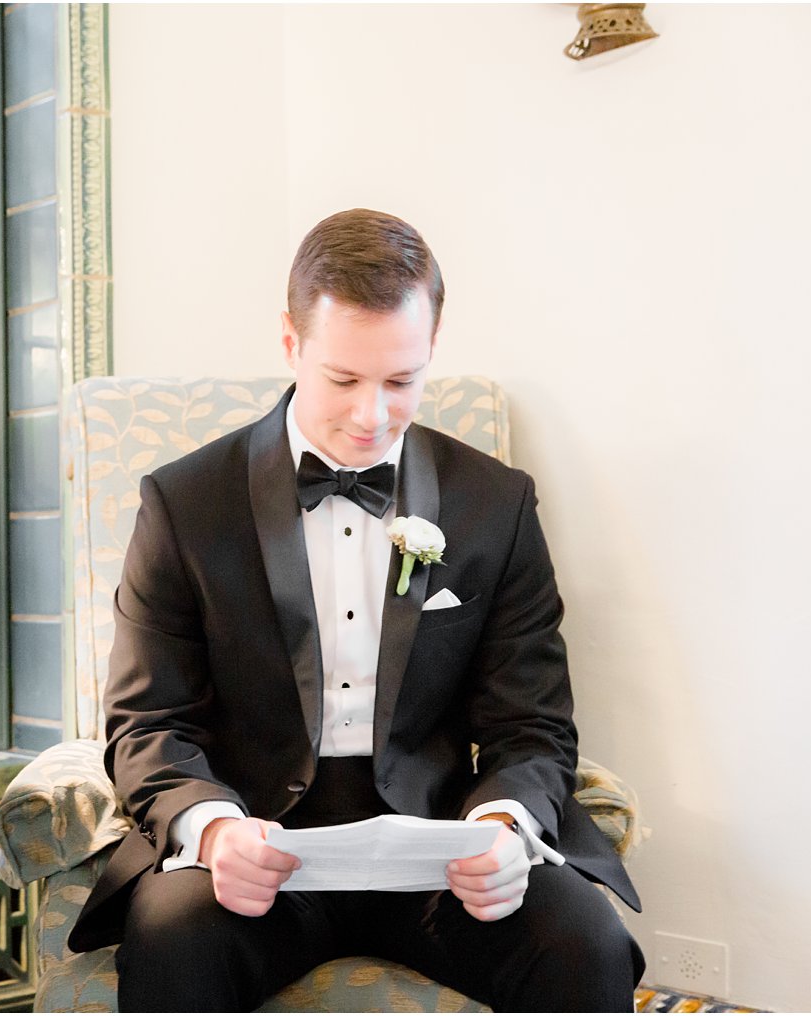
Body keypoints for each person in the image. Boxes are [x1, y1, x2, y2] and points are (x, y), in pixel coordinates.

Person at [65, 209, 646, 1012]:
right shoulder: (185, 503)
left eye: (402, 381)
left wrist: (506, 827)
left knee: (585, 943)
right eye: (343, 379)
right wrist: (215, 830)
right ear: (290, 343)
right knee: (174, 937)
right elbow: (148, 721)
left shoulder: (495, 504)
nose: (372, 417)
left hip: (442, 849)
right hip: (257, 846)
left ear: (432, 348)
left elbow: (532, 724)